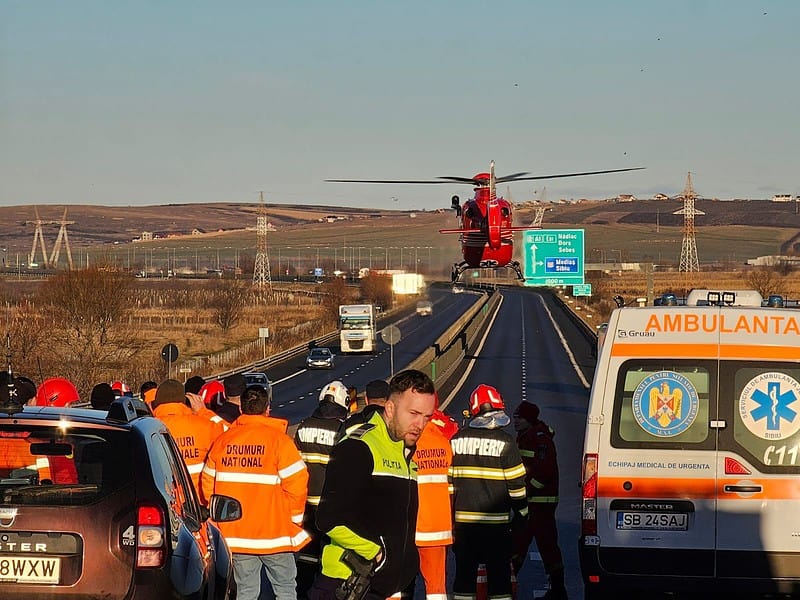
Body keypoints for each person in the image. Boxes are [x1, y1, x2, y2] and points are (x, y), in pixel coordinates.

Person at [309, 369, 436, 600]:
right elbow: (329, 518)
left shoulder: (403, 451)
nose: (420, 424)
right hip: (348, 584)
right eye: (414, 413)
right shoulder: (359, 446)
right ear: (389, 408)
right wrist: (378, 554)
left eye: (427, 417)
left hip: (384, 587)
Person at [201, 384, 310, 600]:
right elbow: (297, 485)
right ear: (267, 409)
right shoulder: (280, 442)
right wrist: (293, 520)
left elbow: (207, 486)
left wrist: (220, 517)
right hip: (275, 535)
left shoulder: (224, 442)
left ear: (241, 409)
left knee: (246, 591)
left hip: (238, 535)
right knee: (285, 590)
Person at [449, 384, 528, 600]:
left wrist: (451, 522)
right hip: (497, 528)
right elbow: (517, 487)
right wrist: (522, 514)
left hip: (464, 527)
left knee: (464, 579)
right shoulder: (506, 443)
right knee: (499, 581)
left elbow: (450, 486)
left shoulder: (455, 441)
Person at [293, 380, 350, 598]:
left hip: (306, 501)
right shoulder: (340, 428)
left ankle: (304, 590)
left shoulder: (304, 425)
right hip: (329, 503)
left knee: (307, 552)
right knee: (328, 554)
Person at [511, 401, 566, 600]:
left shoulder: (540, 440)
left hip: (540, 504)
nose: (515, 421)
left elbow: (544, 472)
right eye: (515, 417)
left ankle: (559, 591)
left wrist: (525, 491)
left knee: (543, 546)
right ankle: (508, 586)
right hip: (531, 502)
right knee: (519, 544)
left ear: (530, 420)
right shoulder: (525, 437)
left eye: (520, 418)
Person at [151, 379, 224, 493]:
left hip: (165, 502)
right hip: (199, 501)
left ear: (156, 404)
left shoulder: (148, 428)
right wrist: (204, 412)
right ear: (184, 402)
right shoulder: (205, 426)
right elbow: (234, 434)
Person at [413, 410, 453, 600]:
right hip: (438, 529)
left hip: (410, 526)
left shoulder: (405, 443)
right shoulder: (444, 444)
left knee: (396, 584)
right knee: (436, 588)